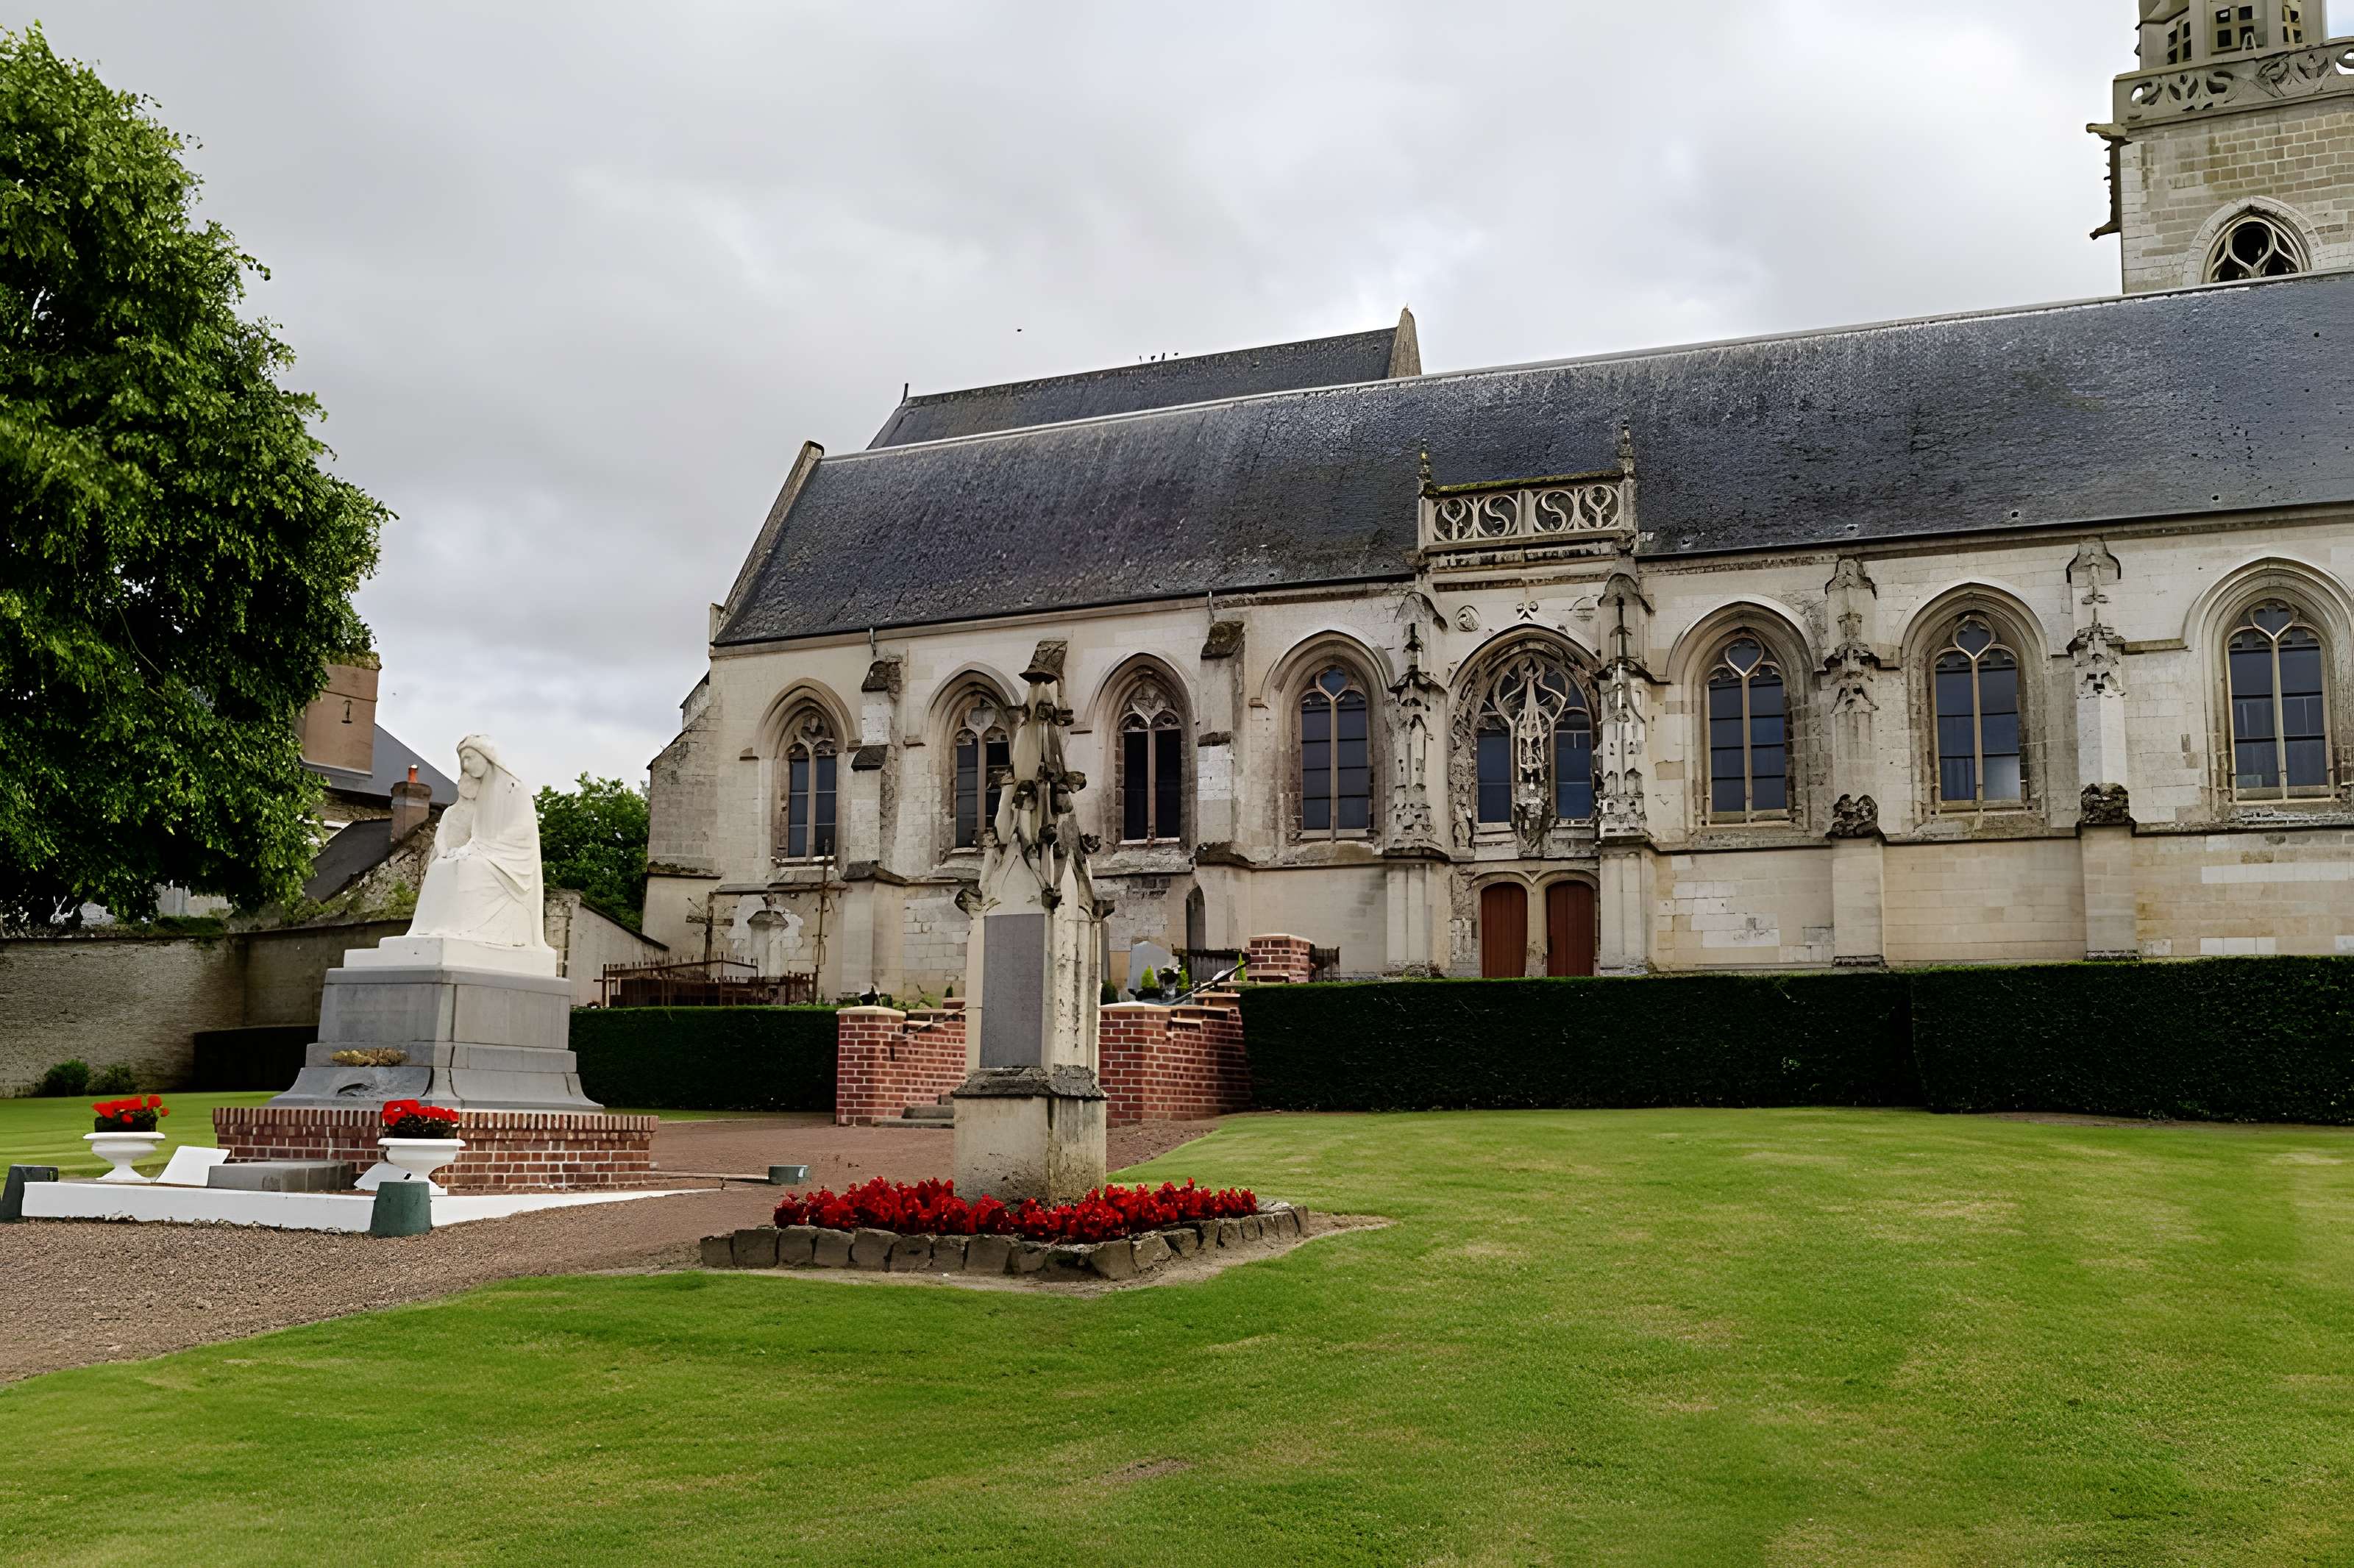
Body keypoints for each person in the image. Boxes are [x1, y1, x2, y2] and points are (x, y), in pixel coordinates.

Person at [406, 735, 552, 952]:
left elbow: (521, 831)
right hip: (480, 850)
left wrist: (481, 847)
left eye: (470, 758)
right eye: (462, 760)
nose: (465, 765)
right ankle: (431, 928)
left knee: (470, 868)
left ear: (487, 757)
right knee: (440, 867)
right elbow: (463, 824)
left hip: (509, 858)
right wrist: (459, 849)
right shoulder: (477, 791)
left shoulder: (515, 789)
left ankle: (466, 930)